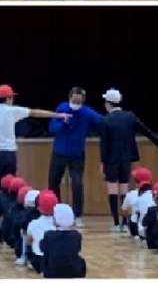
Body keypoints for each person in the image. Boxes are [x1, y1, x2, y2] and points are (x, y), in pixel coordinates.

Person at [99, 88, 158, 232]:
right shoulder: (130, 116)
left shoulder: (105, 120)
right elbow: (146, 131)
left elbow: (104, 144)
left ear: (108, 103)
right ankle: (125, 222)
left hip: (111, 160)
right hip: (126, 158)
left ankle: (116, 223)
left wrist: (103, 163)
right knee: (124, 189)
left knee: (113, 190)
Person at [0, 84, 71, 195]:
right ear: (8, 98)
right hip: (9, 155)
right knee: (9, 189)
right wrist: (59, 115)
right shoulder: (12, 111)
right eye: (12, 97)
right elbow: (35, 112)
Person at [48, 87, 102, 228]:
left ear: (83, 100)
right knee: (53, 182)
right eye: (74, 101)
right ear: (69, 97)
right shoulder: (62, 108)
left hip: (77, 155)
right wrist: (62, 122)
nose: (76, 103)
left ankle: (77, 215)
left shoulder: (87, 112)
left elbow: (101, 122)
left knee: (77, 183)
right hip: (59, 152)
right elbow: (52, 128)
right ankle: (56, 211)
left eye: (79, 101)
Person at [40, 203, 86, 278]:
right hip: (74, 271)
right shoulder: (76, 235)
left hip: (52, 273)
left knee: (45, 257)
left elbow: (42, 248)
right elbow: (77, 249)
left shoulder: (49, 235)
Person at [26, 190, 58, 273]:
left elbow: (29, 242)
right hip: (55, 260)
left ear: (39, 208)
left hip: (38, 260)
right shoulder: (59, 224)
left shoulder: (33, 223)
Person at [121, 166, 152, 237]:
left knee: (130, 212)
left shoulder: (130, 194)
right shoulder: (154, 195)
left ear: (136, 181)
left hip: (137, 230)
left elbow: (124, 211)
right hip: (152, 230)